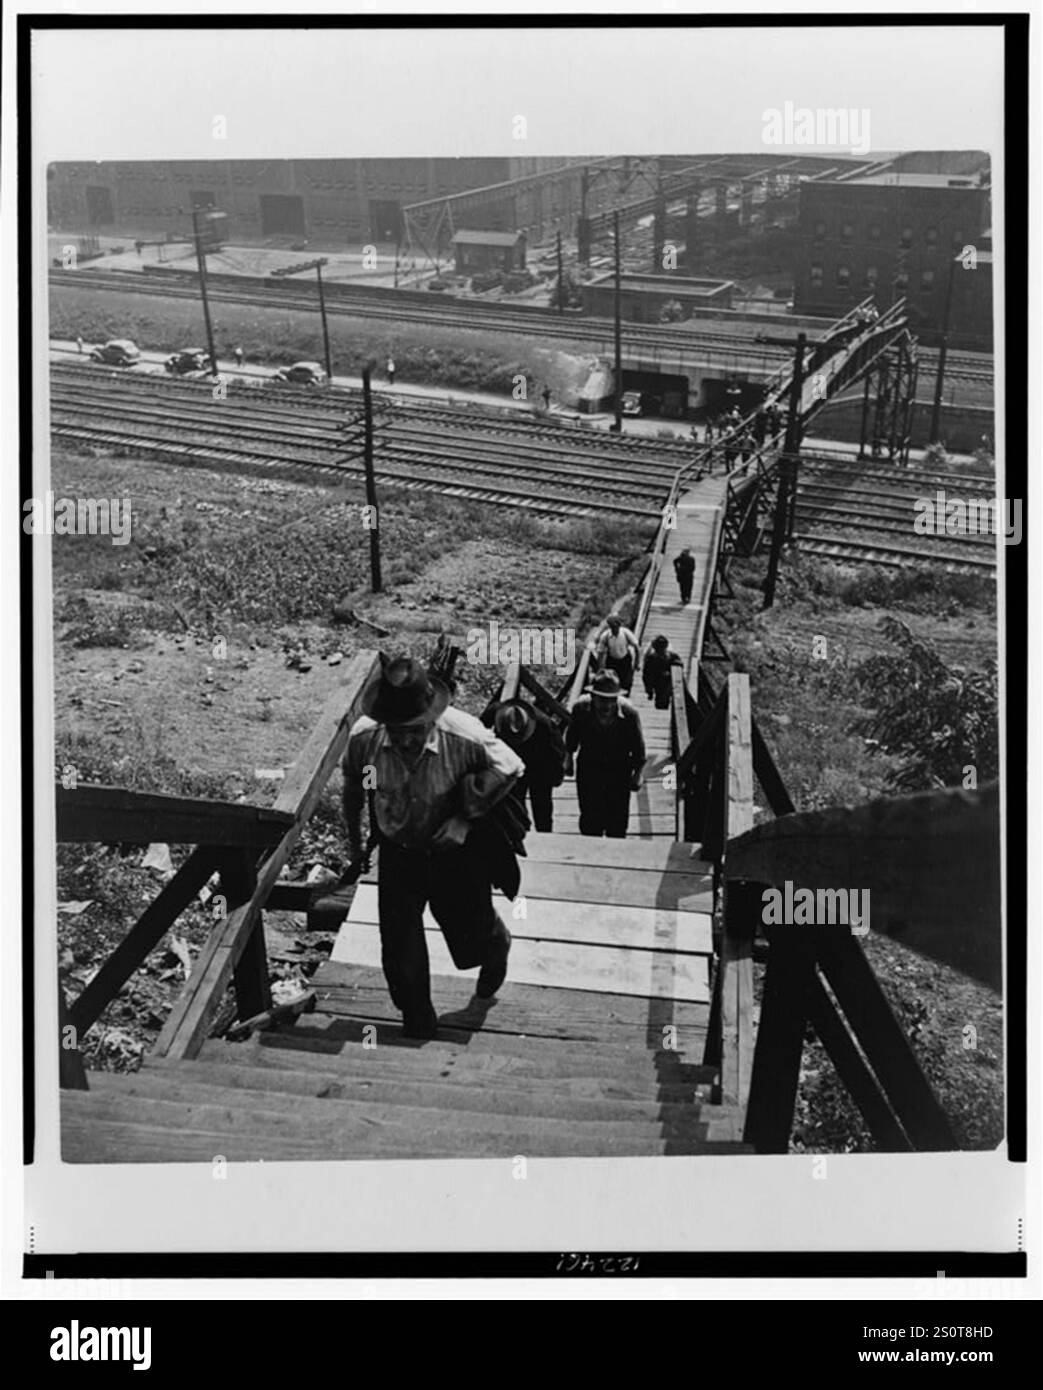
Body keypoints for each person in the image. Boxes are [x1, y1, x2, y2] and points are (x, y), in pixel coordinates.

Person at [340, 655, 524, 1038]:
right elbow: (356, 789)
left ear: (432, 718)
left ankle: (496, 944)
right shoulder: (365, 739)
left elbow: (511, 765)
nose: (406, 739)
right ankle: (418, 1018)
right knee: (399, 943)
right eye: (397, 730)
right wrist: (357, 846)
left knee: (472, 935)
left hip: (452, 851)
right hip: (399, 848)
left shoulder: (464, 735)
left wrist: (465, 818)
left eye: (416, 729)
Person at [565, 671, 646, 839]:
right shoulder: (580, 709)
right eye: (602, 699)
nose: (607, 706)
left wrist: (638, 774)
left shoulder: (629, 714)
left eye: (611, 700)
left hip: (619, 766)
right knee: (589, 814)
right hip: (589, 764)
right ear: (592, 696)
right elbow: (572, 737)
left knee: (617, 817)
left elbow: (638, 748)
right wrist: (568, 760)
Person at [482, 699, 567, 833]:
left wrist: (557, 775)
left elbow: (558, 753)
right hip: (513, 759)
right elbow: (478, 730)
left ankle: (545, 833)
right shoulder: (497, 712)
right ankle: (521, 830)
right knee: (515, 801)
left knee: (541, 802)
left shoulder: (545, 725)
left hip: (540, 762)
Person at [593, 614, 639, 695]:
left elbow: (636, 647)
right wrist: (599, 668)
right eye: (612, 626)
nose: (614, 628)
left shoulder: (625, 633)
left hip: (625, 660)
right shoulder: (606, 635)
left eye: (616, 625)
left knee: (627, 682)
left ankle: (625, 697)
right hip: (612, 661)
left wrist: (637, 663)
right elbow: (600, 652)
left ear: (619, 625)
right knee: (611, 681)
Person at [642, 635, 683, 710]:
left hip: (669, 682)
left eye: (662, 649)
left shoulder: (672, 656)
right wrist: (649, 690)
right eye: (658, 650)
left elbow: (680, 666)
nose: (661, 652)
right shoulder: (651, 658)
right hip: (657, 682)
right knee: (660, 701)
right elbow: (646, 675)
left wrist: (670, 672)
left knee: (667, 699)